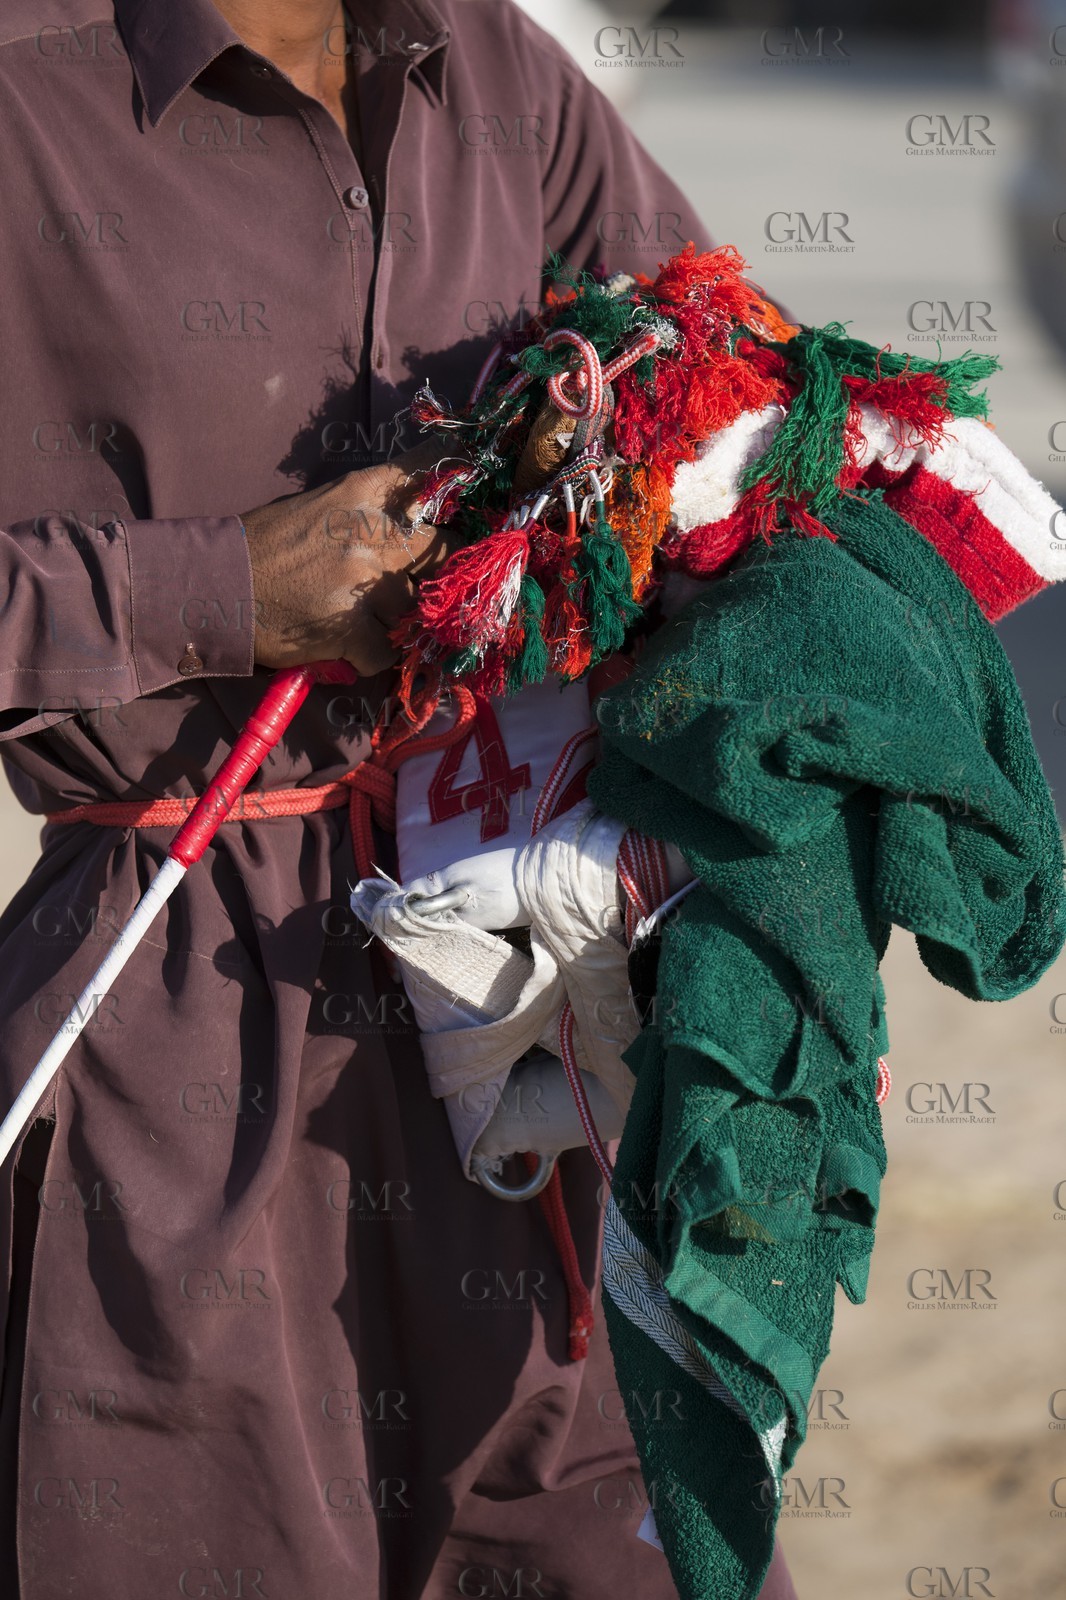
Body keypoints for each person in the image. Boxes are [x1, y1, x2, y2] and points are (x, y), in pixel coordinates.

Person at [0, 2, 798, 1595]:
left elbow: (729, 395)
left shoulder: (492, 66)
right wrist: (216, 591)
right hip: (167, 1050)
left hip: (525, 1004)